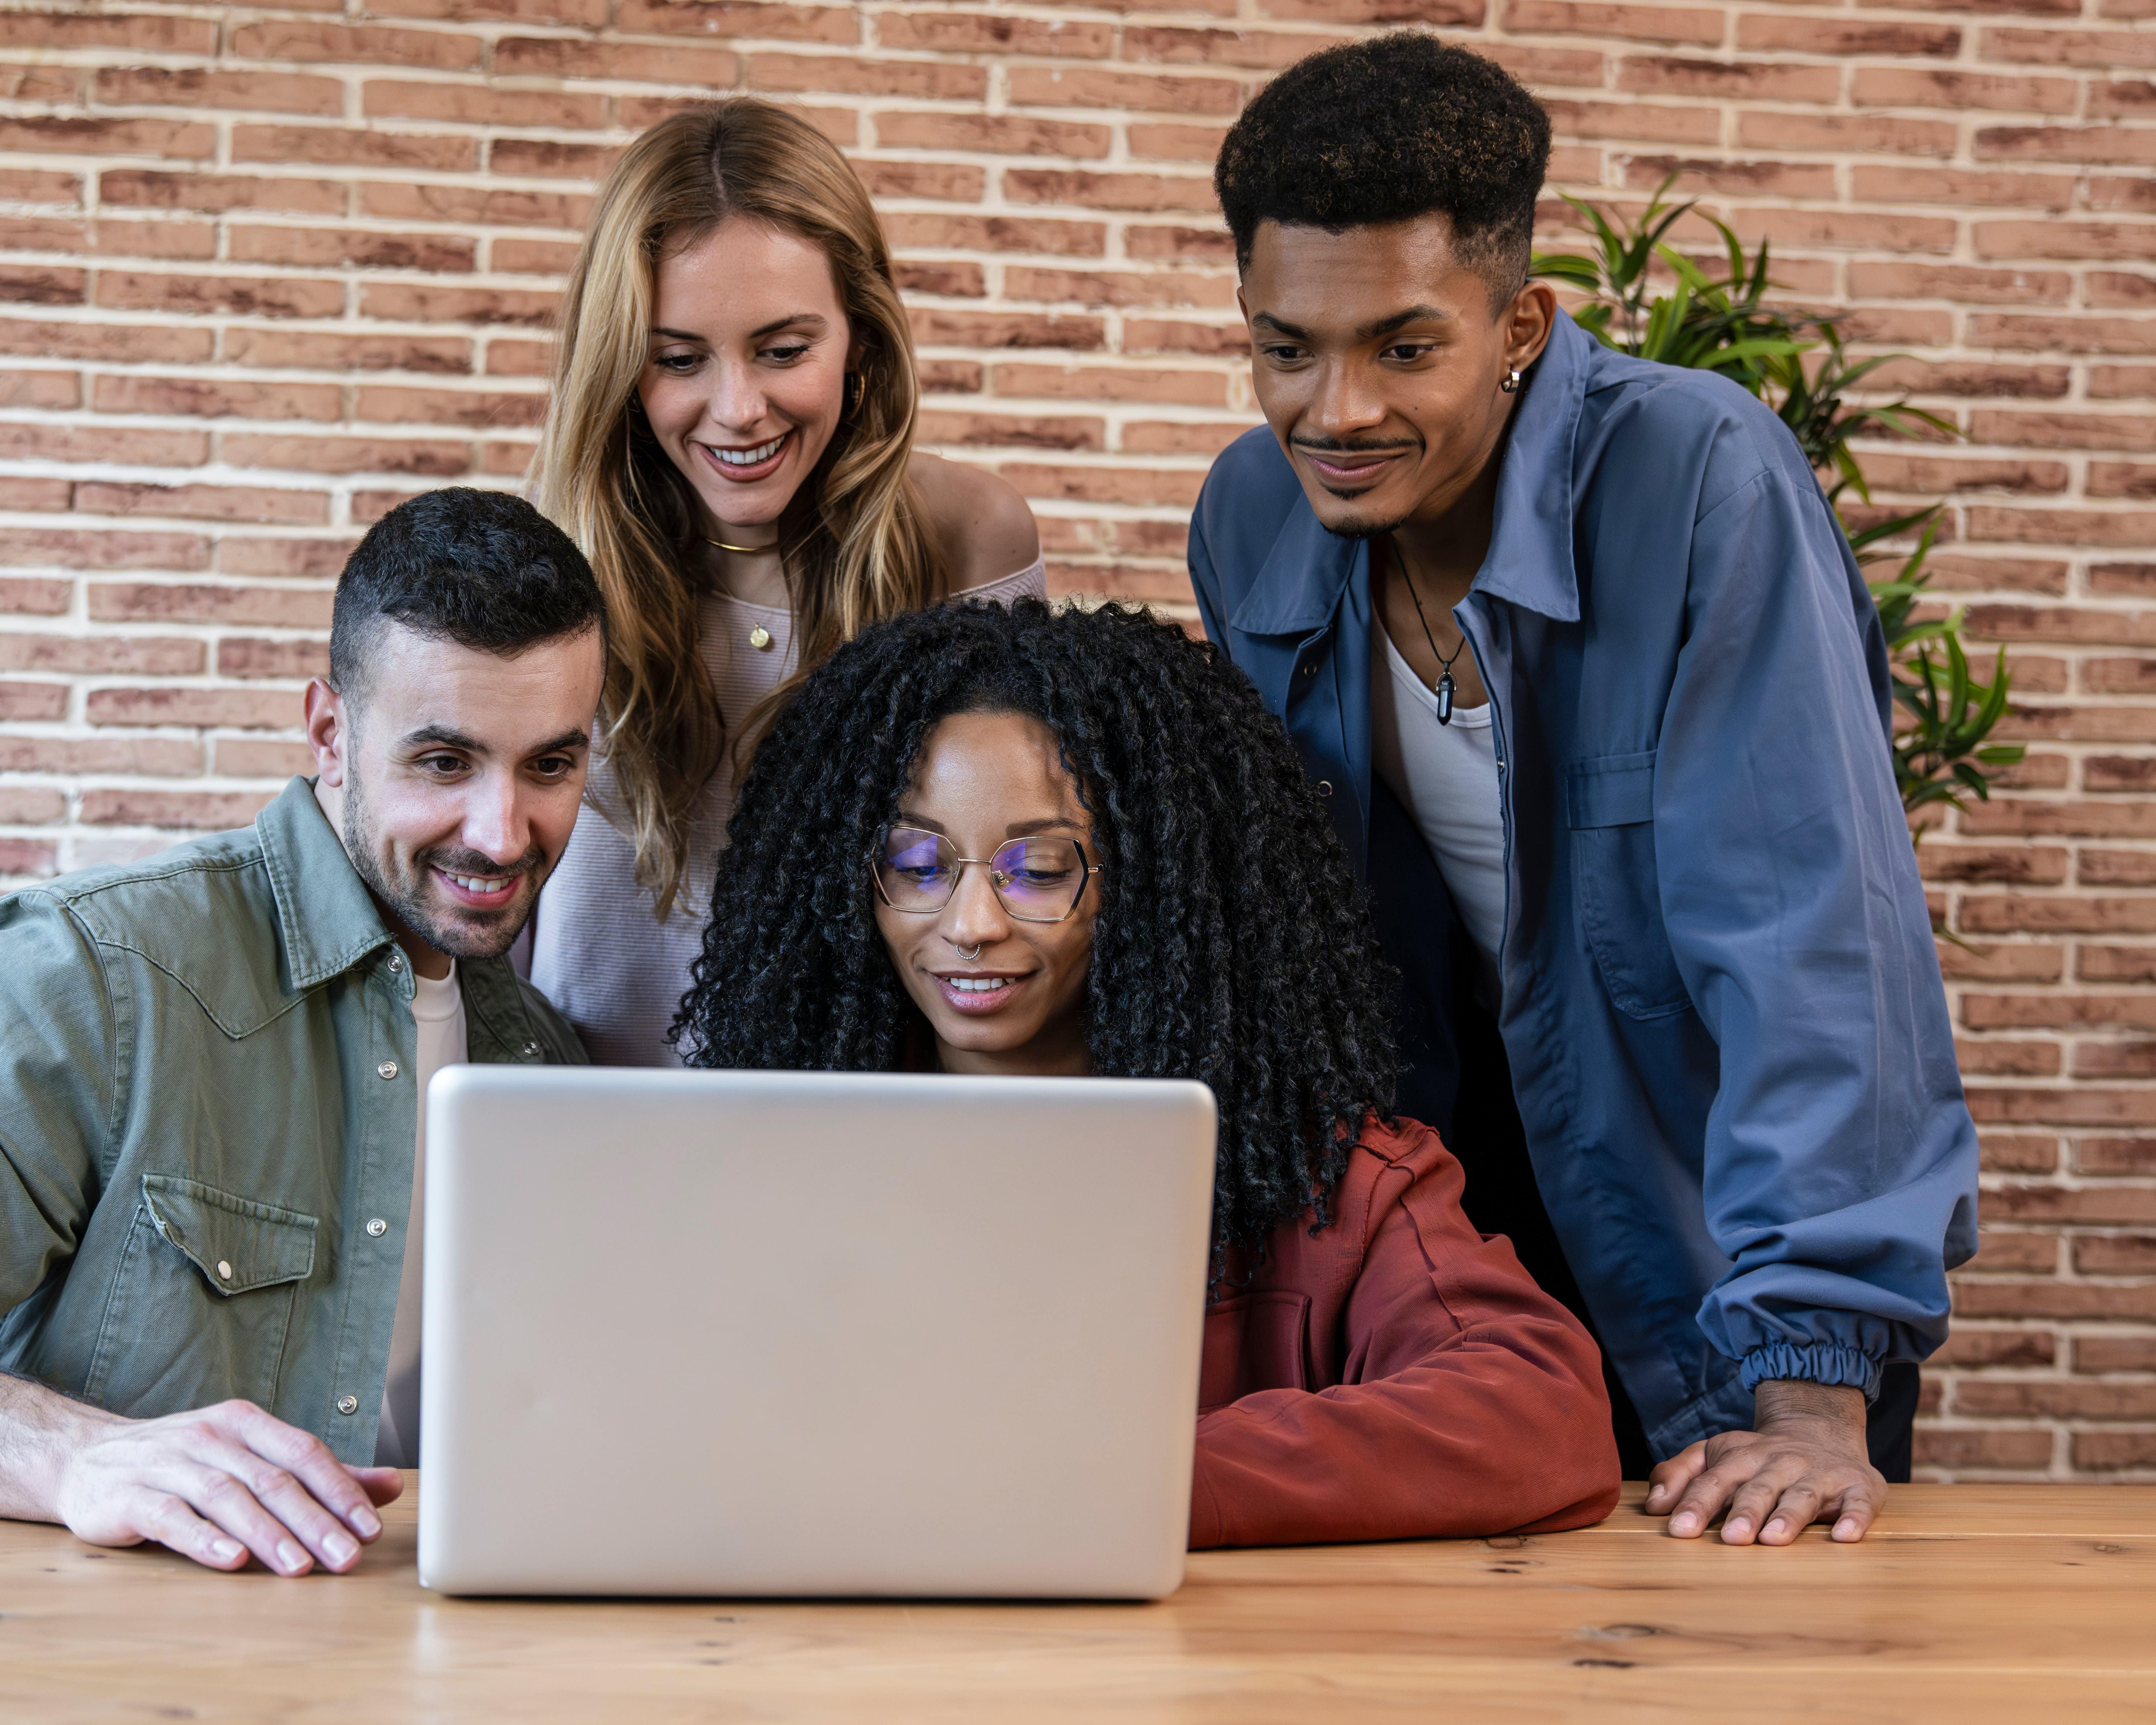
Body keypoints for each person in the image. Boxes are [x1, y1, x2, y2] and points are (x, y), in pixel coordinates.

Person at [1189, 35, 1979, 1546]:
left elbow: (1811, 937)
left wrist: (1811, 1388)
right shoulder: (1246, 518)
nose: (1334, 412)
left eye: (1403, 348)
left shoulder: (1698, 480)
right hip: (1452, 1274)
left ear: (1522, 327)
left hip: (1718, 1259)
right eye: (1287, 347)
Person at [0, 489, 602, 1576]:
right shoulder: (104, 969)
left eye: (549, 766)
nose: (501, 831)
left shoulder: (543, 1058)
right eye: (443, 762)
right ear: (331, 735)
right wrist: (76, 1460)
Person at [675, 598, 1622, 1546]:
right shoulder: (769, 1165)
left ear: (1153, 883)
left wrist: (1112, 1479)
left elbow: (1537, 1410)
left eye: (1039, 870)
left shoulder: (1322, 1180)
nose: (968, 923)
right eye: (915, 864)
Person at [527, 97, 1044, 1065]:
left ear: (860, 339)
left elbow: (1013, 883)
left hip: (858, 1134)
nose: (737, 411)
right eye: (677, 359)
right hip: (575, 1131)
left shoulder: (968, 538)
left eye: (782, 350)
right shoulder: (552, 555)